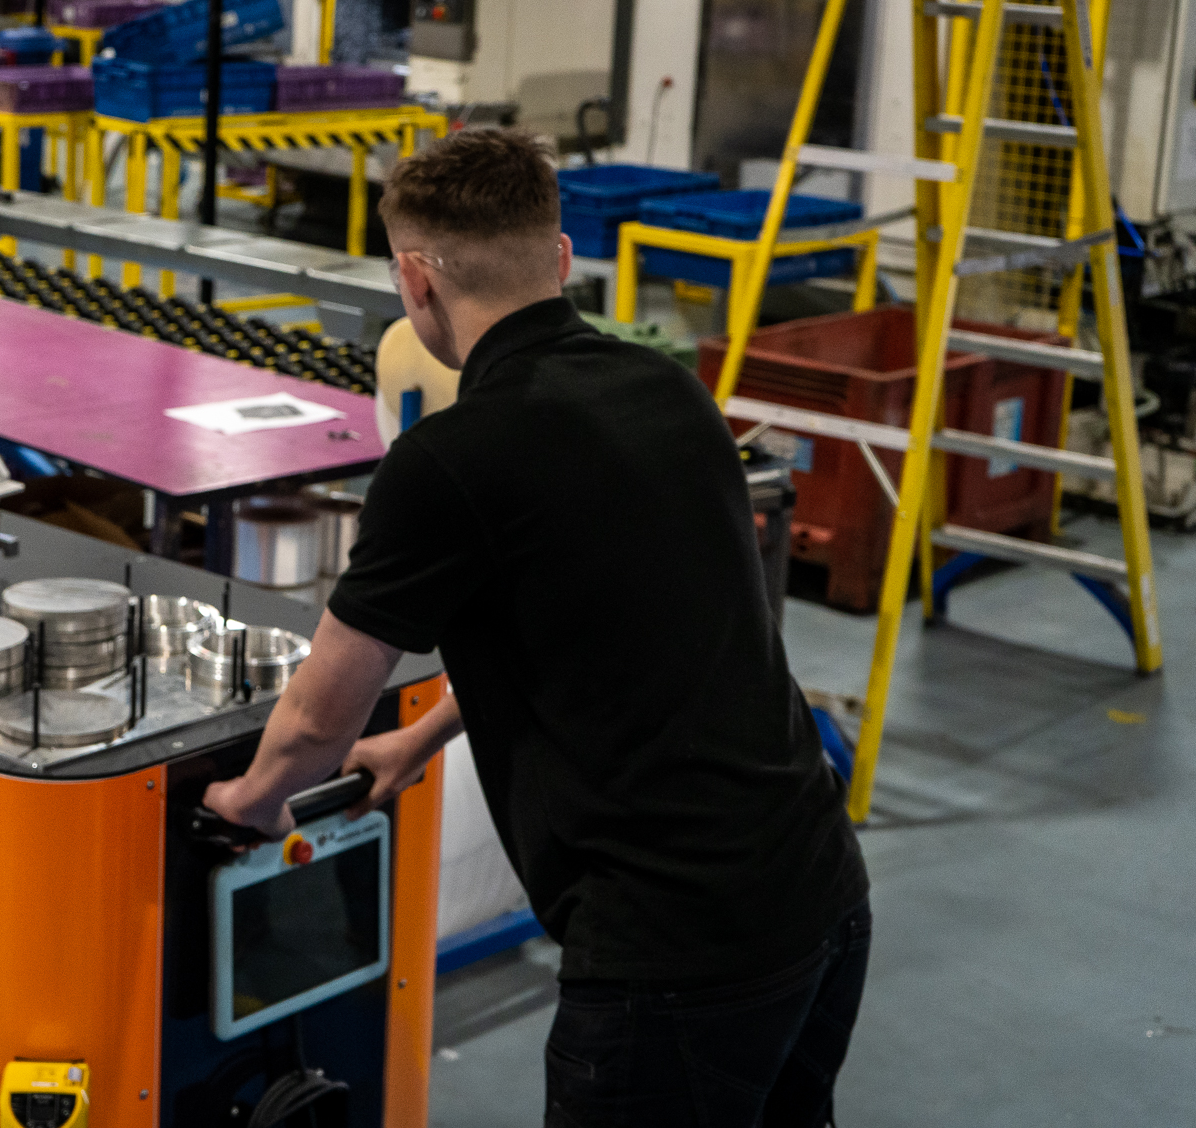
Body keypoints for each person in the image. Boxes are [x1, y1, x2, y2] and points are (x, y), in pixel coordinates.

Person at [202, 128, 870, 1128]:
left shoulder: (450, 458)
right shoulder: (670, 392)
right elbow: (602, 629)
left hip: (673, 947)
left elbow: (314, 717)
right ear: (559, 259)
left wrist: (251, 799)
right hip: (818, 890)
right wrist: (418, 737)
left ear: (414, 282)